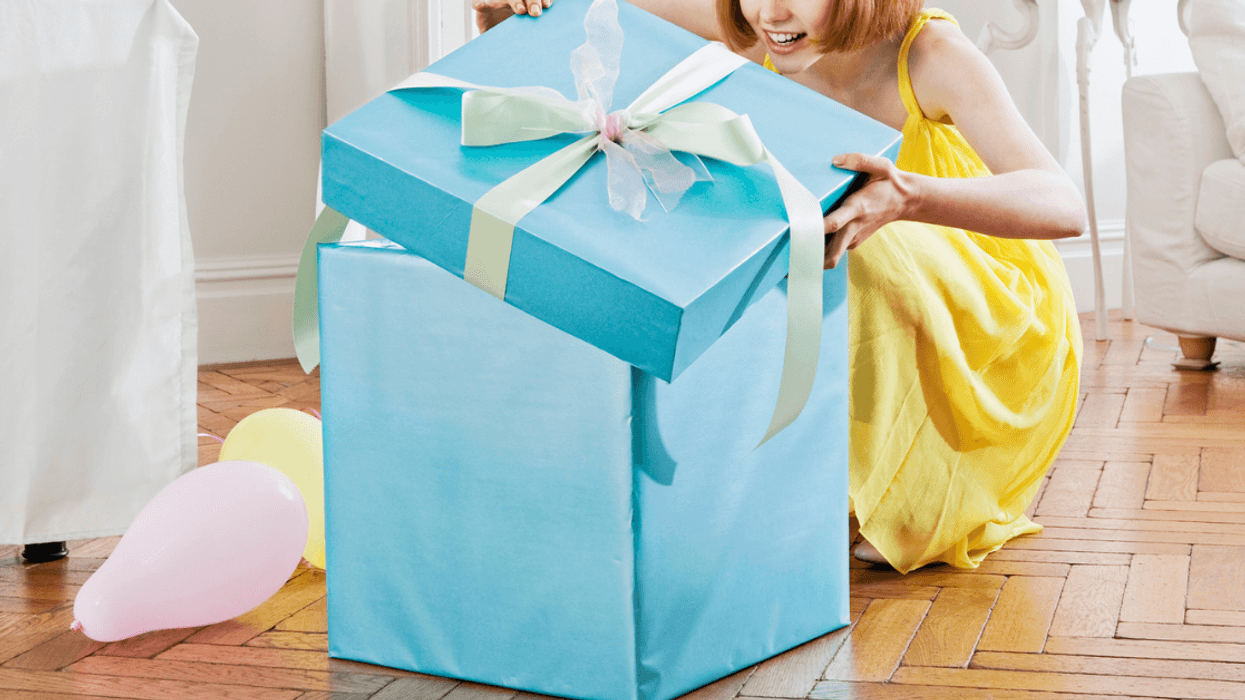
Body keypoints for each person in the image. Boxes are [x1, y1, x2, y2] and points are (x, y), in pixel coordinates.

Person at [473, 0, 1085, 573]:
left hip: (992, 306)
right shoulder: (755, 23)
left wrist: (907, 196)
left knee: (852, 242)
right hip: (859, 274)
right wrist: (501, 7)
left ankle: (901, 468)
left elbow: (1062, 205)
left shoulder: (930, 53)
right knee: (762, 228)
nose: (770, 13)